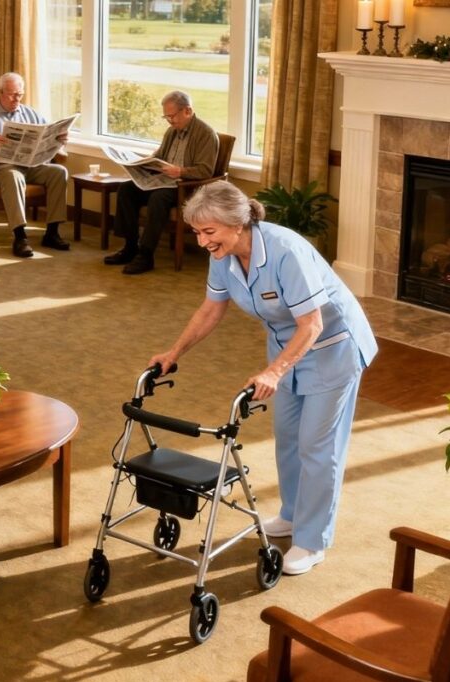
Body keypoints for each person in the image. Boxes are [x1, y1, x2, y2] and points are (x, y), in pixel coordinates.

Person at [147, 181, 377, 576]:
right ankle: (291, 515)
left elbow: (312, 323)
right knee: (287, 439)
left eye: (209, 232)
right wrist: (174, 352)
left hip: (332, 348)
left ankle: (312, 539)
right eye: (197, 233)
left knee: (317, 446)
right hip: (286, 350)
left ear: (237, 224)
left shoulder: (285, 251)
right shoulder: (224, 254)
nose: (202, 242)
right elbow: (210, 309)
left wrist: (275, 371)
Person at [105, 90, 219, 274]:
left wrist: (180, 171)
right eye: (166, 117)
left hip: (186, 187)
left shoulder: (205, 134)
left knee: (158, 198)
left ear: (187, 111)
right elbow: (159, 156)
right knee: (126, 189)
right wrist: (140, 163)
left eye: (172, 116)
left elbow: (206, 170)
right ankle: (130, 247)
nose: (170, 121)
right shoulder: (172, 131)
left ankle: (146, 255)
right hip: (163, 181)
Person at [0, 72, 70, 258]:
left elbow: (47, 135)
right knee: (13, 176)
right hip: (1, 168)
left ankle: (52, 232)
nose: (17, 98)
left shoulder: (30, 113)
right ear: (0, 92)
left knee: (59, 172)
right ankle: (20, 236)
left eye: (20, 94)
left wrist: (58, 139)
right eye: (12, 94)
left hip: (31, 166)